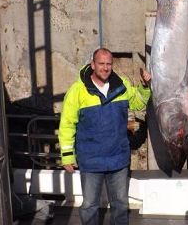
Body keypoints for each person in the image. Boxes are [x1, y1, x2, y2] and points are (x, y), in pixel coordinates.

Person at [58, 48, 151, 224]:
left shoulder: (121, 85)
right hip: (90, 159)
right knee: (90, 205)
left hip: (118, 157)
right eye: (101, 63)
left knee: (121, 204)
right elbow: (67, 125)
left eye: (109, 64)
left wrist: (145, 87)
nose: (106, 68)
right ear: (93, 64)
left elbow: (138, 103)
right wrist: (67, 156)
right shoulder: (77, 91)